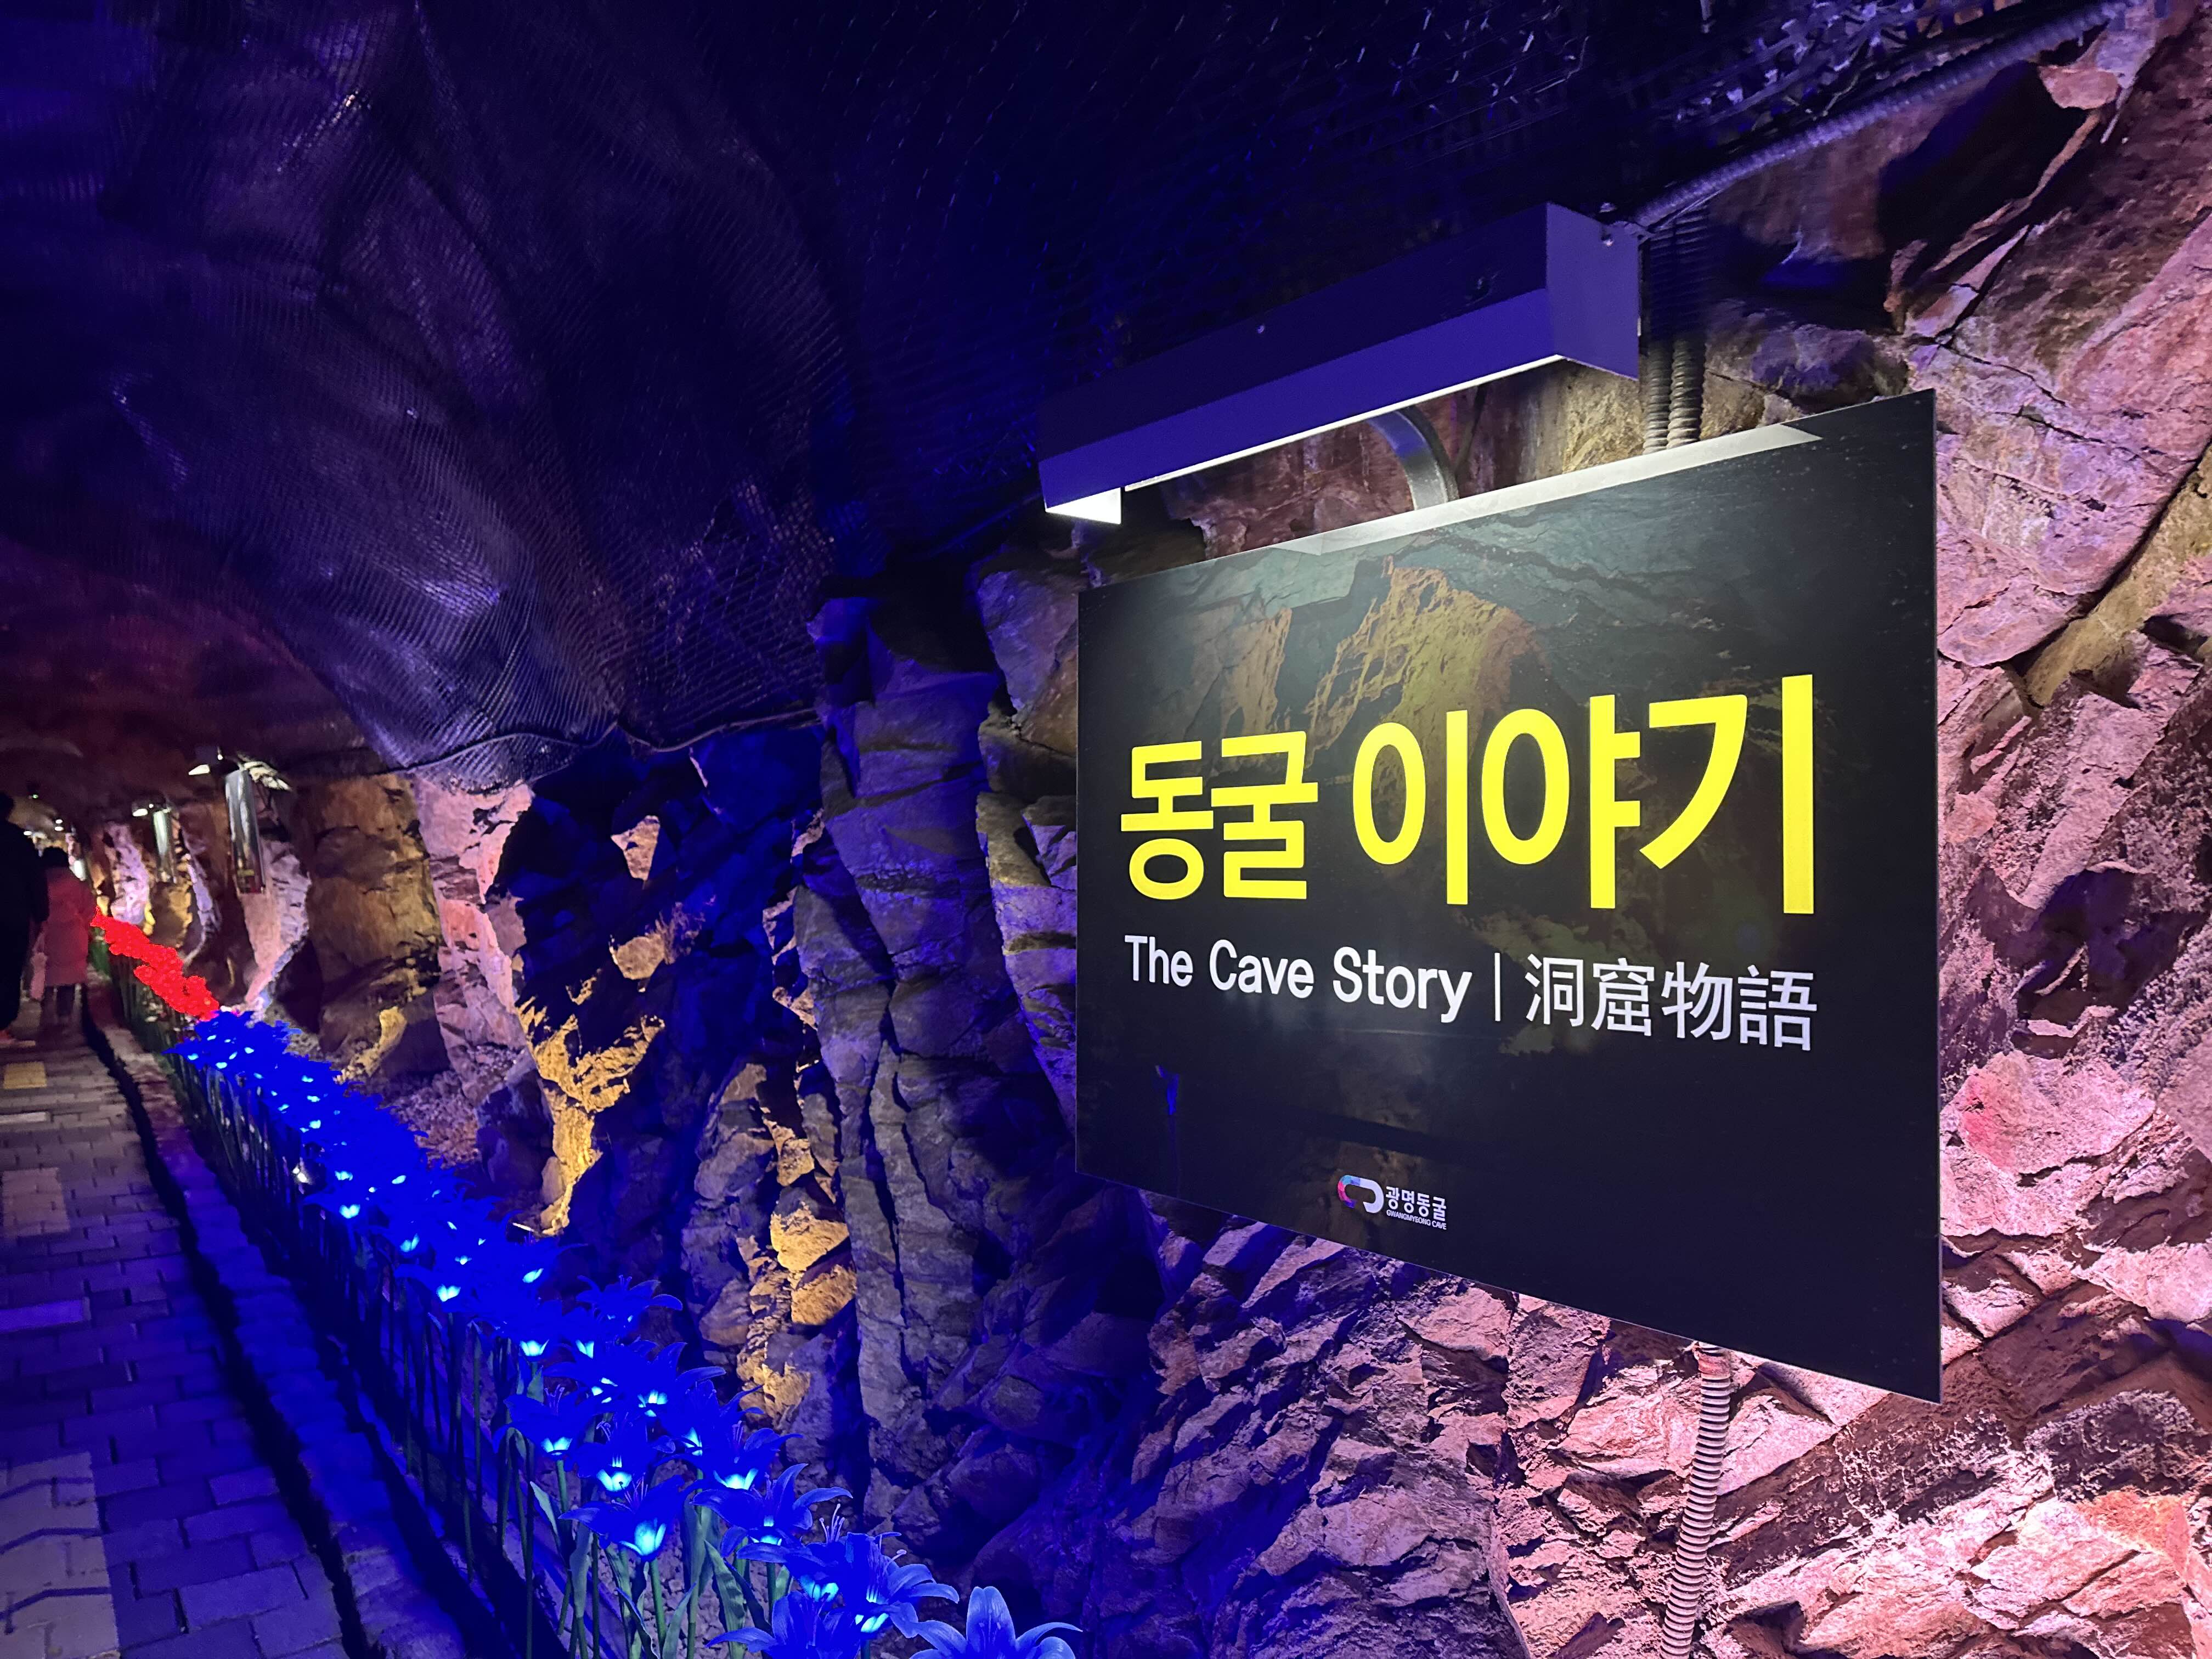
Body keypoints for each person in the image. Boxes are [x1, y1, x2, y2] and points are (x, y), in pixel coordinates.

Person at [0, 793, 47, 1047]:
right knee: (9, 971)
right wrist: (41, 915)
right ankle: (2, 1027)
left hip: (13, 913)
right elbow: (34, 879)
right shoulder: (17, 840)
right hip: (12, 915)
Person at [39, 847, 98, 1036]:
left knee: (46, 976)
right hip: (73, 936)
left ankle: (46, 1014)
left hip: (47, 936)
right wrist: (85, 928)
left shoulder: (38, 884)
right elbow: (89, 909)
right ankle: (64, 1018)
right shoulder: (77, 885)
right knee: (69, 979)